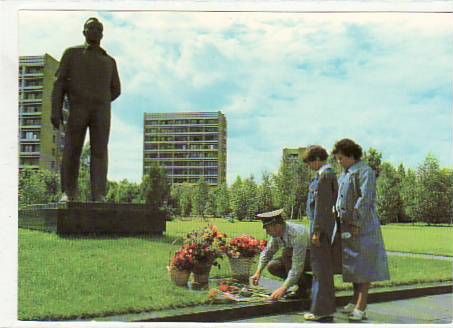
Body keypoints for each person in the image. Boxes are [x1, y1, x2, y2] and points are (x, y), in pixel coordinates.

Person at [51, 17, 121, 202]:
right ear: (84, 32)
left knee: (100, 151)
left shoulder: (109, 61)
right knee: (72, 149)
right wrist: (56, 110)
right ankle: (68, 192)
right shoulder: (71, 54)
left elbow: (116, 89)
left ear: (102, 34)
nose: (95, 31)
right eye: (91, 27)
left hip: (101, 111)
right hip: (78, 108)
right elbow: (58, 83)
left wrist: (101, 100)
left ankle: (99, 194)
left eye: (98, 28)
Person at [333, 138, 390, 322]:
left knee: (364, 265)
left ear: (351, 155)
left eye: (341, 158)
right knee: (354, 265)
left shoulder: (364, 172)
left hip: (362, 226)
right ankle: (353, 300)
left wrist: (357, 223)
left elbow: (365, 199)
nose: (338, 162)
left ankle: (361, 306)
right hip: (348, 226)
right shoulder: (345, 174)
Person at [302, 145, 339, 322]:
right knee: (323, 270)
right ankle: (326, 309)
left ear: (317, 159)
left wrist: (316, 231)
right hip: (323, 227)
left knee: (320, 270)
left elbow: (322, 207)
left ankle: (321, 310)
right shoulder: (326, 175)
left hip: (321, 229)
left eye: (309, 162)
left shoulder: (325, 176)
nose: (308, 166)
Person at [251, 209, 312, 301]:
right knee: (273, 266)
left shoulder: (297, 234)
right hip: (301, 259)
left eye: (268, 229)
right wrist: (258, 272)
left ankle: (303, 289)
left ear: (277, 226)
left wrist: (283, 288)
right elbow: (268, 252)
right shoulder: (278, 234)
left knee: (287, 253)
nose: (267, 232)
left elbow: (297, 266)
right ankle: (309, 281)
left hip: (318, 259)